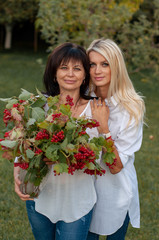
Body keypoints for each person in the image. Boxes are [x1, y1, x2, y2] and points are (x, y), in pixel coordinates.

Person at [14, 42, 100, 240]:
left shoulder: (96, 109)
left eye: (77, 68)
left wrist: (60, 156)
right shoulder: (37, 105)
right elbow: (22, 146)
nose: (70, 74)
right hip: (40, 196)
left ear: (85, 75)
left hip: (77, 201)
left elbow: (96, 155)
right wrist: (17, 173)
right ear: (54, 73)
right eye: (63, 67)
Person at [86, 39, 145, 240]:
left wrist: (104, 128)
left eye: (105, 64)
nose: (97, 70)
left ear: (116, 66)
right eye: (92, 64)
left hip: (118, 190)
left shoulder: (132, 107)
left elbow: (116, 166)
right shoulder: (83, 99)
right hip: (85, 190)